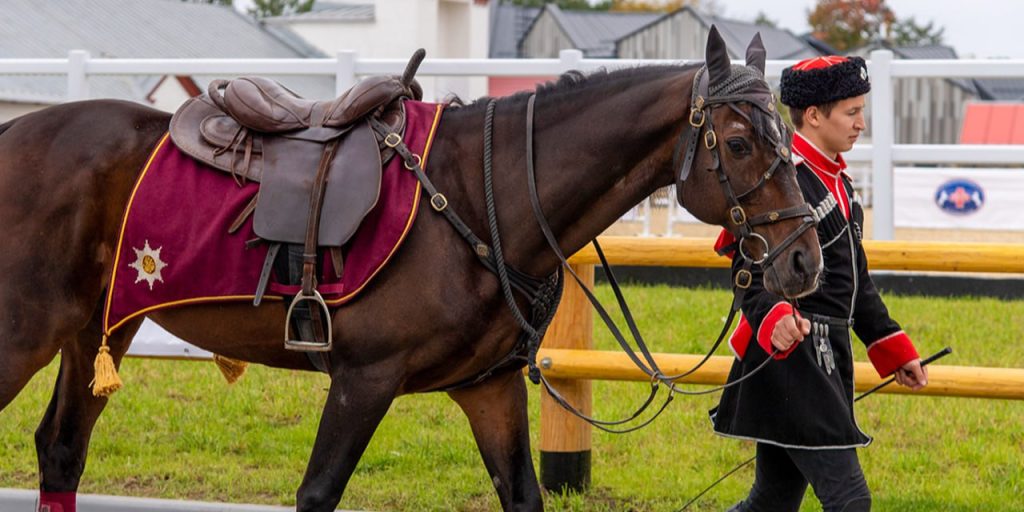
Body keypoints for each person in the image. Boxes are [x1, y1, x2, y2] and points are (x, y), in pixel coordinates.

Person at [709, 55, 929, 512]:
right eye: (851, 112)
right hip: (794, 359)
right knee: (850, 501)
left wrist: (893, 348)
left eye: (860, 111)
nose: (861, 123)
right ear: (813, 116)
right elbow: (746, 270)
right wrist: (772, 313)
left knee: (771, 501)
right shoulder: (780, 182)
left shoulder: (839, 185)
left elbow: (856, 282)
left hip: (823, 357)